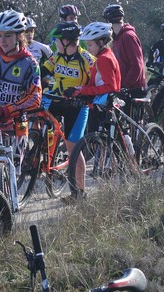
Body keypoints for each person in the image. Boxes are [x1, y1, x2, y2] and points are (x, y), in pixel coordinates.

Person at [63, 21, 121, 199]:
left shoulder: (104, 59)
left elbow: (110, 86)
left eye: (90, 45)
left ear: (101, 42)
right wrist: (81, 90)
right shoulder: (103, 55)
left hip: (106, 103)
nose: (87, 48)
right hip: (100, 103)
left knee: (116, 140)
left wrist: (82, 90)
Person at [41, 20, 95, 191]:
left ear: (65, 41)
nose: (55, 44)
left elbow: (97, 83)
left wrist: (83, 93)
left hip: (77, 107)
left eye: (56, 40)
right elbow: (42, 72)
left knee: (74, 150)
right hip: (57, 100)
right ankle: (39, 155)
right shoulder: (57, 56)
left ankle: (79, 191)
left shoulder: (86, 59)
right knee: (35, 116)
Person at [0, 9, 42, 128]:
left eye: (8, 35)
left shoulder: (30, 64)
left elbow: (35, 98)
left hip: (16, 127)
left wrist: (6, 111)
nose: (2, 40)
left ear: (19, 35)